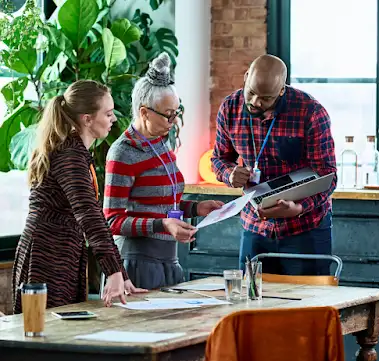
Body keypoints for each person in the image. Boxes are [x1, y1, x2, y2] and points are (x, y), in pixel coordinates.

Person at [2, 80, 146, 361]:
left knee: (57, 354)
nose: (113, 119)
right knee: (42, 354)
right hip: (45, 261)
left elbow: (88, 215)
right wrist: (115, 271)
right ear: (86, 119)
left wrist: (116, 272)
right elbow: (89, 215)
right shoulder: (69, 153)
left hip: (57, 257)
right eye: (107, 113)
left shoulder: (75, 150)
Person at [104, 52, 223, 292]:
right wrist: (163, 225)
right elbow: (112, 221)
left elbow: (163, 203)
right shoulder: (123, 153)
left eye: (176, 113)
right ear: (144, 112)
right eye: (168, 114)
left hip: (169, 259)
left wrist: (196, 208)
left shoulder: (161, 143)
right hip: (137, 263)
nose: (173, 121)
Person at [211, 54, 337, 276]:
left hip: (305, 229)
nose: (255, 102)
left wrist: (298, 208)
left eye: (266, 98)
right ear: (246, 76)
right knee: (252, 302)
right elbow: (219, 159)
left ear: (282, 90)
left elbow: (328, 175)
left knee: (306, 306)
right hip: (255, 228)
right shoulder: (230, 109)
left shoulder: (311, 112)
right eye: (251, 92)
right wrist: (229, 174)